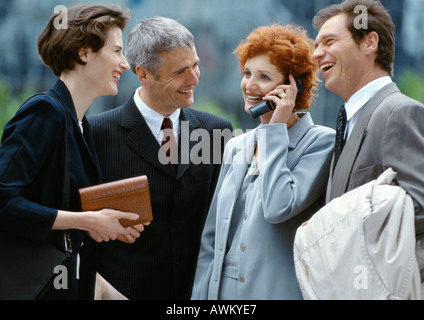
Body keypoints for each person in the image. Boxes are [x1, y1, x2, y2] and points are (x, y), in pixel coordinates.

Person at [0, 5, 149, 299]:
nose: (125, 64)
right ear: (84, 52)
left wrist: (104, 223)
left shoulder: (78, 123)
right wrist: (87, 221)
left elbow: (51, 202)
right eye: (117, 51)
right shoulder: (46, 112)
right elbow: (4, 200)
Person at [88, 16, 234, 300]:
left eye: (195, 65)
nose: (194, 79)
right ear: (143, 74)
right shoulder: (95, 134)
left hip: (197, 295)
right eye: (180, 71)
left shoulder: (217, 130)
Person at [191, 24, 335, 300]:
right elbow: (212, 238)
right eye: (247, 73)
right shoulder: (237, 146)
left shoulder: (321, 143)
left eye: (264, 77)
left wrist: (276, 128)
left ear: (293, 86)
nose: (250, 85)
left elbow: (278, 207)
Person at [312, 0, 424, 293]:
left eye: (329, 41)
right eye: (316, 44)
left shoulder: (398, 112)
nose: (316, 54)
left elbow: (421, 206)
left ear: (369, 42)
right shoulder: (349, 119)